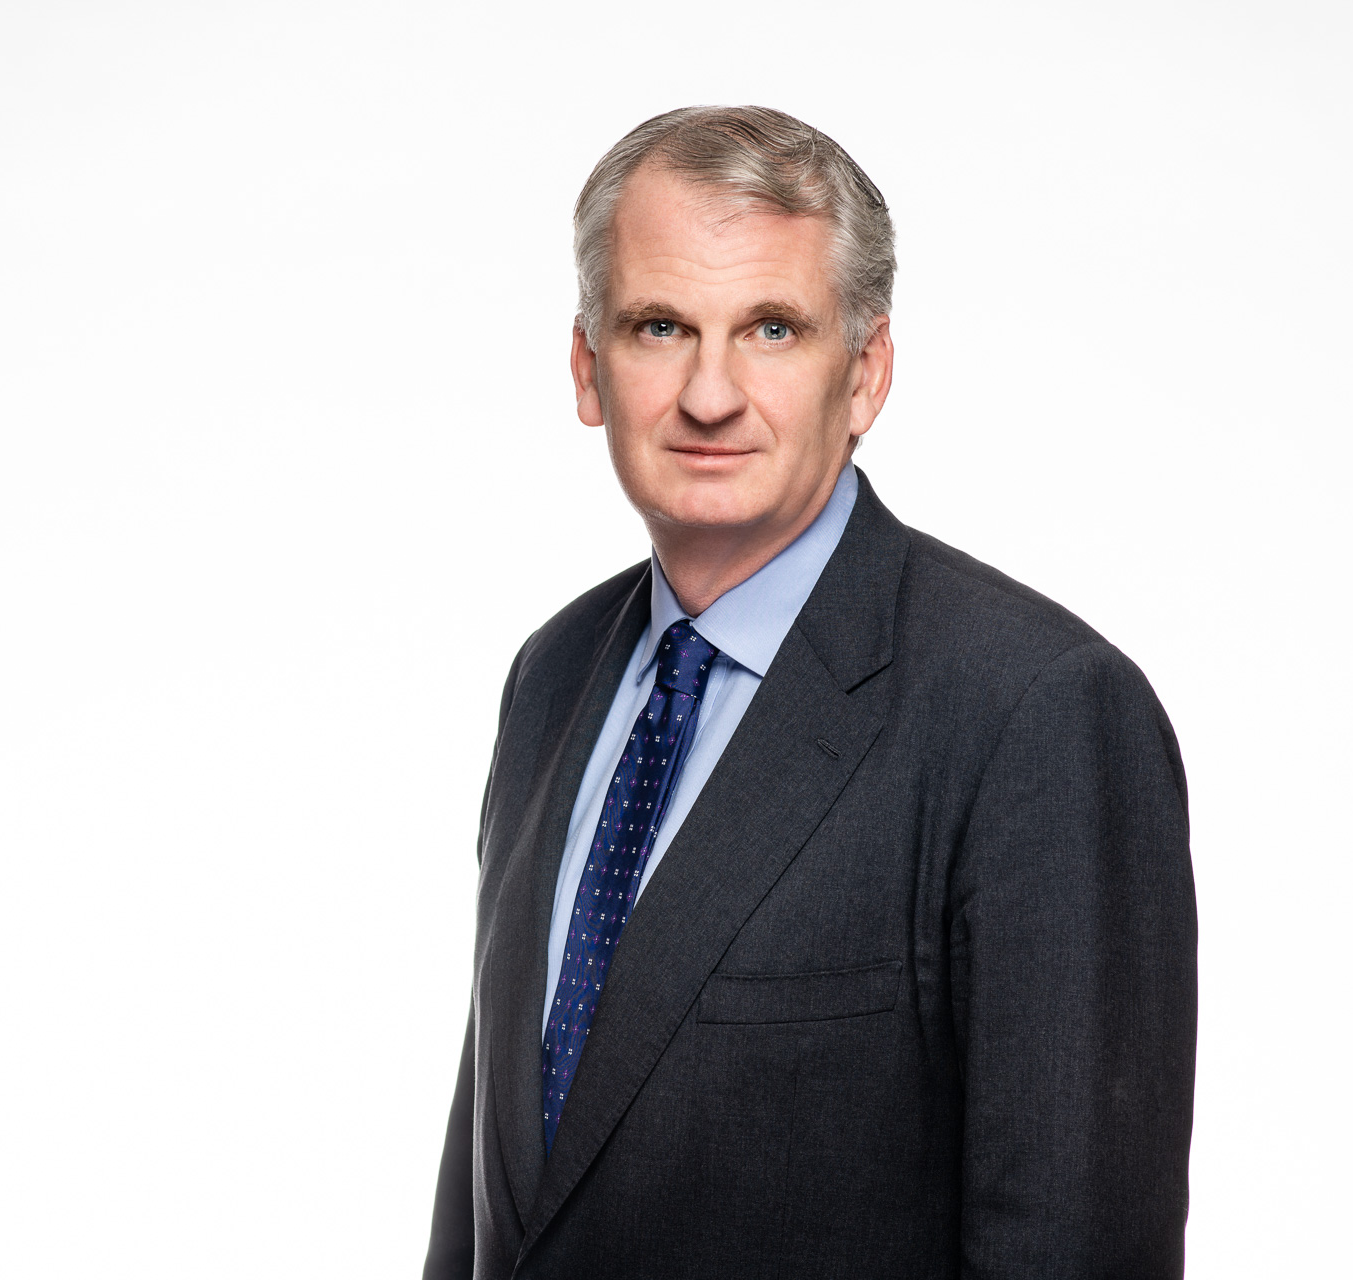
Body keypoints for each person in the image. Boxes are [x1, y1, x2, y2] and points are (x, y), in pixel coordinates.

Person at [422, 105, 1197, 1280]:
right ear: (588, 367)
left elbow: (1076, 1248)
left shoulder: (1035, 712)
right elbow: (502, 1195)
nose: (711, 392)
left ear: (866, 371)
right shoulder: (553, 674)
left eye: (773, 328)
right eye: (660, 326)